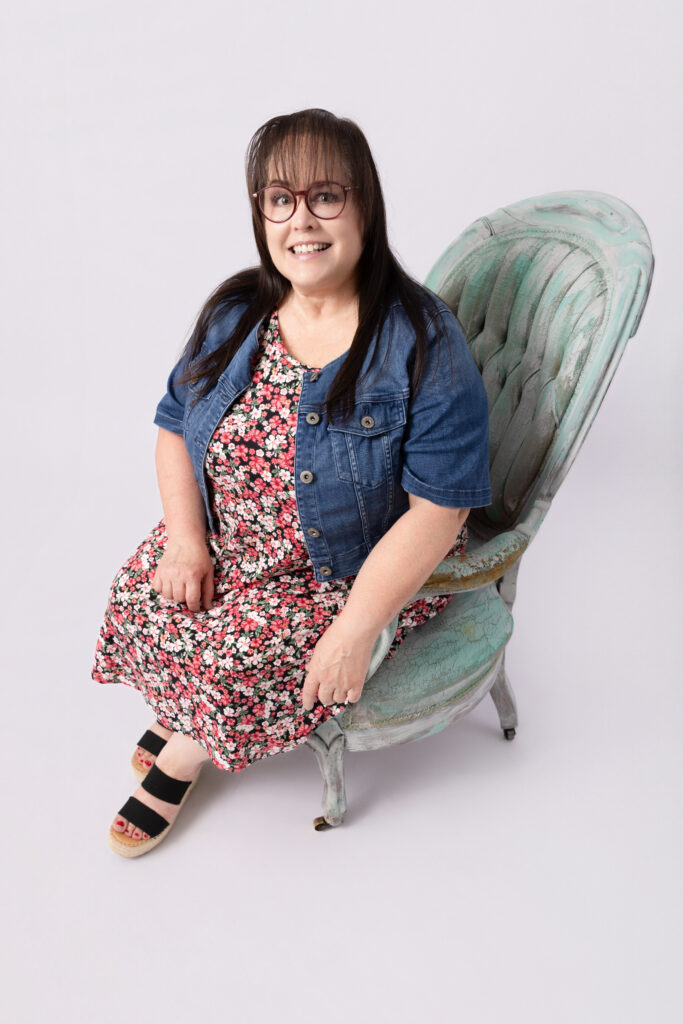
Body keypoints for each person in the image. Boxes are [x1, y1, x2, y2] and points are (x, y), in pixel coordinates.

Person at [92, 108, 492, 858]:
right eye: (279, 199)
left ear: (364, 206)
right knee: (140, 593)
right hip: (235, 537)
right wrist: (186, 542)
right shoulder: (240, 309)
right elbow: (175, 423)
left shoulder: (421, 342)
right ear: (260, 213)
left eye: (324, 197)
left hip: (347, 566)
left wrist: (353, 630)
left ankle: (183, 753)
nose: (299, 221)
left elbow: (439, 512)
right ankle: (188, 707)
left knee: (232, 659)